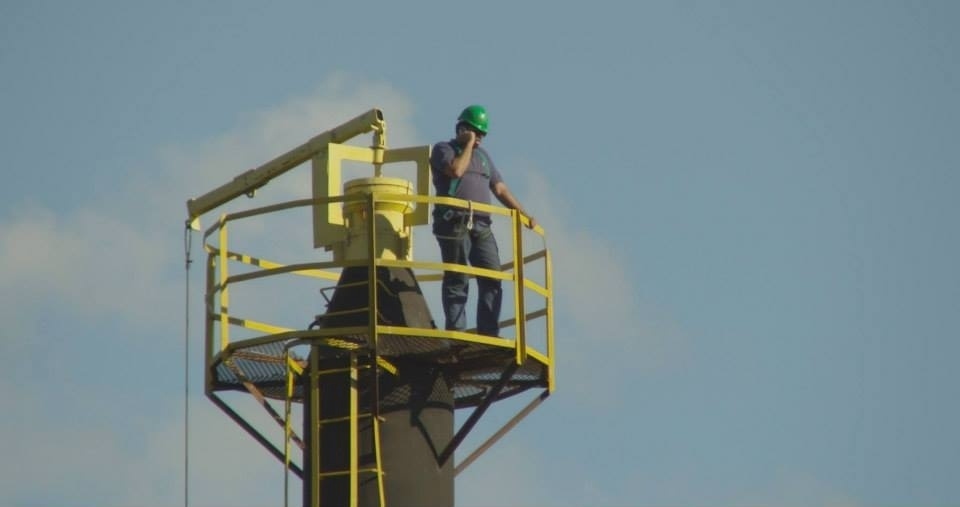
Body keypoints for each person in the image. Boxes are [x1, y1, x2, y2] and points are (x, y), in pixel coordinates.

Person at [430, 105, 536, 337]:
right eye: (475, 133)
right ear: (462, 129)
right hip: (454, 222)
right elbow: (456, 171)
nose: (479, 139)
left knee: (493, 278)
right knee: (458, 278)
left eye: (481, 135)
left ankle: (488, 333)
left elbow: (499, 188)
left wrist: (524, 215)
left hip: (481, 225)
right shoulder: (443, 149)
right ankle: (457, 333)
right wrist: (466, 144)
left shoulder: (483, 157)